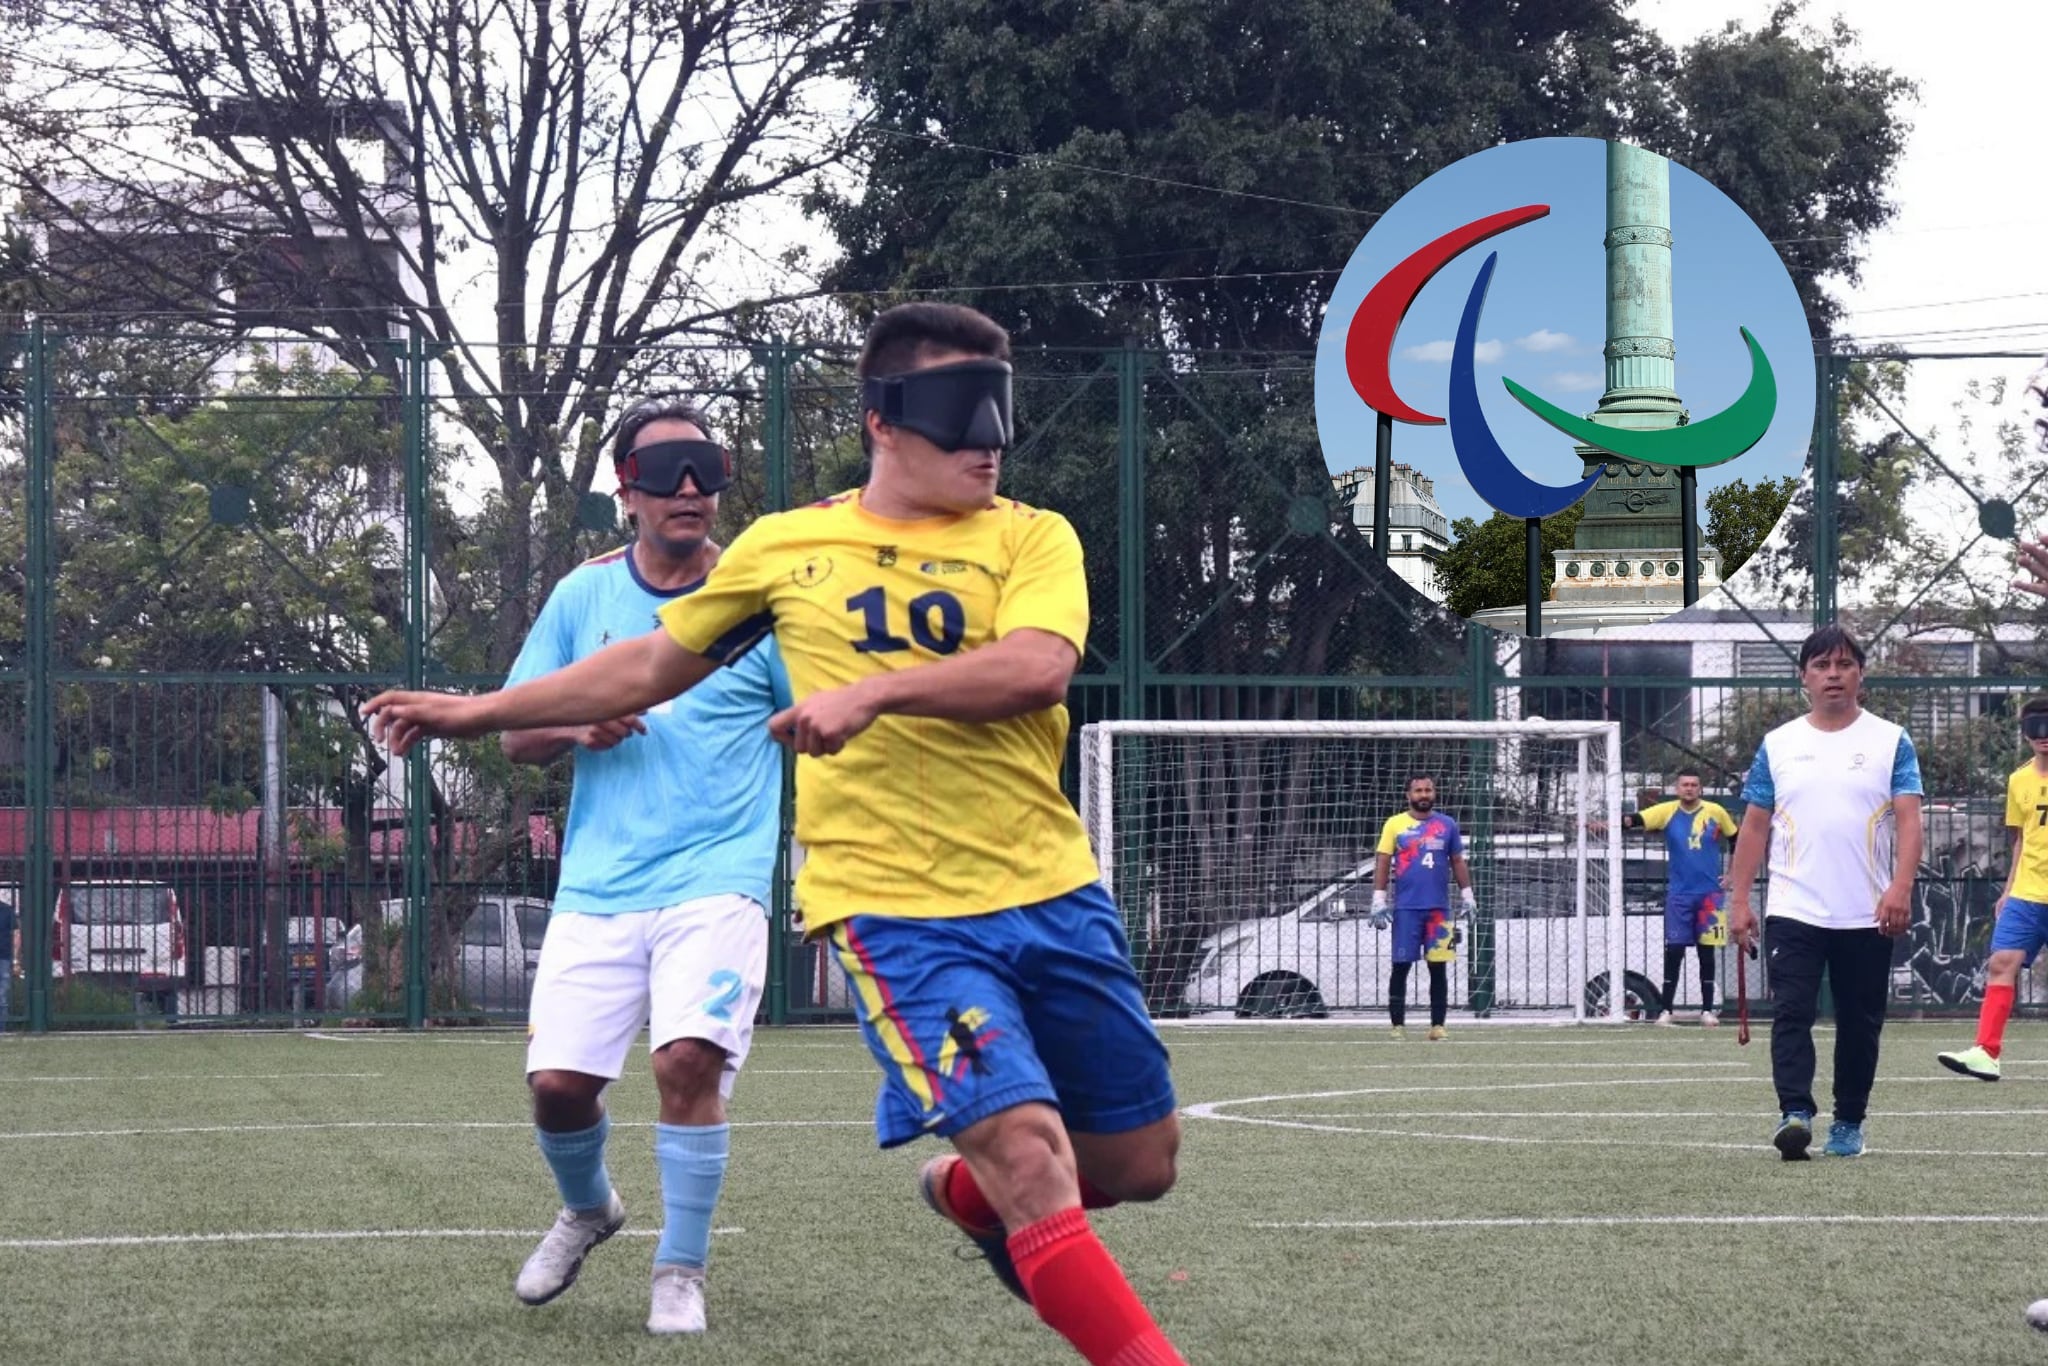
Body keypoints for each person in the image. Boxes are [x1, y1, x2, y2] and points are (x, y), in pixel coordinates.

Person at [362, 302, 1188, 1366]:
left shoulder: (1033, 535)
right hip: (894, 909)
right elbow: (648, 664)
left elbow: (1035, 667)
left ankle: (969, 1201)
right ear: (882, 421)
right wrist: (478, 710)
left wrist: (879, 693)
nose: (988, 438)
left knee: (1139, 1165)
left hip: (1049, 885)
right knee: (1030, 1155)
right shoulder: (786, 548)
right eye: (958, 411)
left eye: (1000, 410)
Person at [498, 397, 791, 1335]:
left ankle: (681, 1269)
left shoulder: (758, 598)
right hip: (600, 883)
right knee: (558, 1089)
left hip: (721, 876)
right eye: (667, 471)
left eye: (708, 467)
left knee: (687, 1060)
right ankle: (589, 1209)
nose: (693, 488)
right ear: (626, 490)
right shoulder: (584, 596)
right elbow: (514, 733)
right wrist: (575, 723)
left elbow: (817, 719)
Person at [1727, 624, 1923, 1161]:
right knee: (1791, 1012)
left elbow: (1909, 823)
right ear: (1804, 678)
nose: (1832, 675)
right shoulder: (1779, 744)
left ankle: (1849, 1121)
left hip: (1868, 911)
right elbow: (1753, 828)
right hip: (1794, 909)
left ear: (1861, 673)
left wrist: (1900, 886)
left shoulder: (1891, 741)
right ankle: (1794, 1112)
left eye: (1843, 665)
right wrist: (1739, 902)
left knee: (1860, 1022)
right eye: (1821, 666)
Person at [1936, 696, 2048, 1081]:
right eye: (2036, 727)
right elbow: (2020, 839)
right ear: (2025, 734)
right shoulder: (2019, 780)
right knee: (2001, 963)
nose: (2044, 736)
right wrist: (2008, 888)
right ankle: (1986, 1052)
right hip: (2028, 894)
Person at [1595, 770, 1739, 1026]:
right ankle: (1666, 1010)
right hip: (1679, 895)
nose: (1689, 789)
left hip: (1710, 896)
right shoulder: (1667, 811)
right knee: (1674, 951)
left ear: (1700, 789)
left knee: (1707, 953)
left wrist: (1731, 874)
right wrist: (1606, 824)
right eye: (1685, 784)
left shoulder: (1716, 812)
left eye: (1694, 784)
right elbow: (1634, 820)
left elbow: (1737, 839)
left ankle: (1707, 1011)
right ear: (1677, 788)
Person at [1369, 775, 1474, 1041]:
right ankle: (1397, 1026)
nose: (1424, 794)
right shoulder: (1395, 824)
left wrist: (1468, 895)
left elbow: (1458, 860)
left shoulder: (1447, 824)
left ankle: (1437, 1026)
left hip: (1439, 910)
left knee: (1438, 968)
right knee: (1401, 966)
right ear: (1409, 795)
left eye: (1428, 790)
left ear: (1434, 793)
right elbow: (1382, 861)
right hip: (1406, 910)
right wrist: (1378, 899)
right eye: (1418, 790)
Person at [0, 893, 16, 1033]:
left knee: (2, 995)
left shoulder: (7, 910)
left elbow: (16, 933)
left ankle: (1, 1029)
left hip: (3, 956)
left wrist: (16, 959)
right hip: (4, 957)